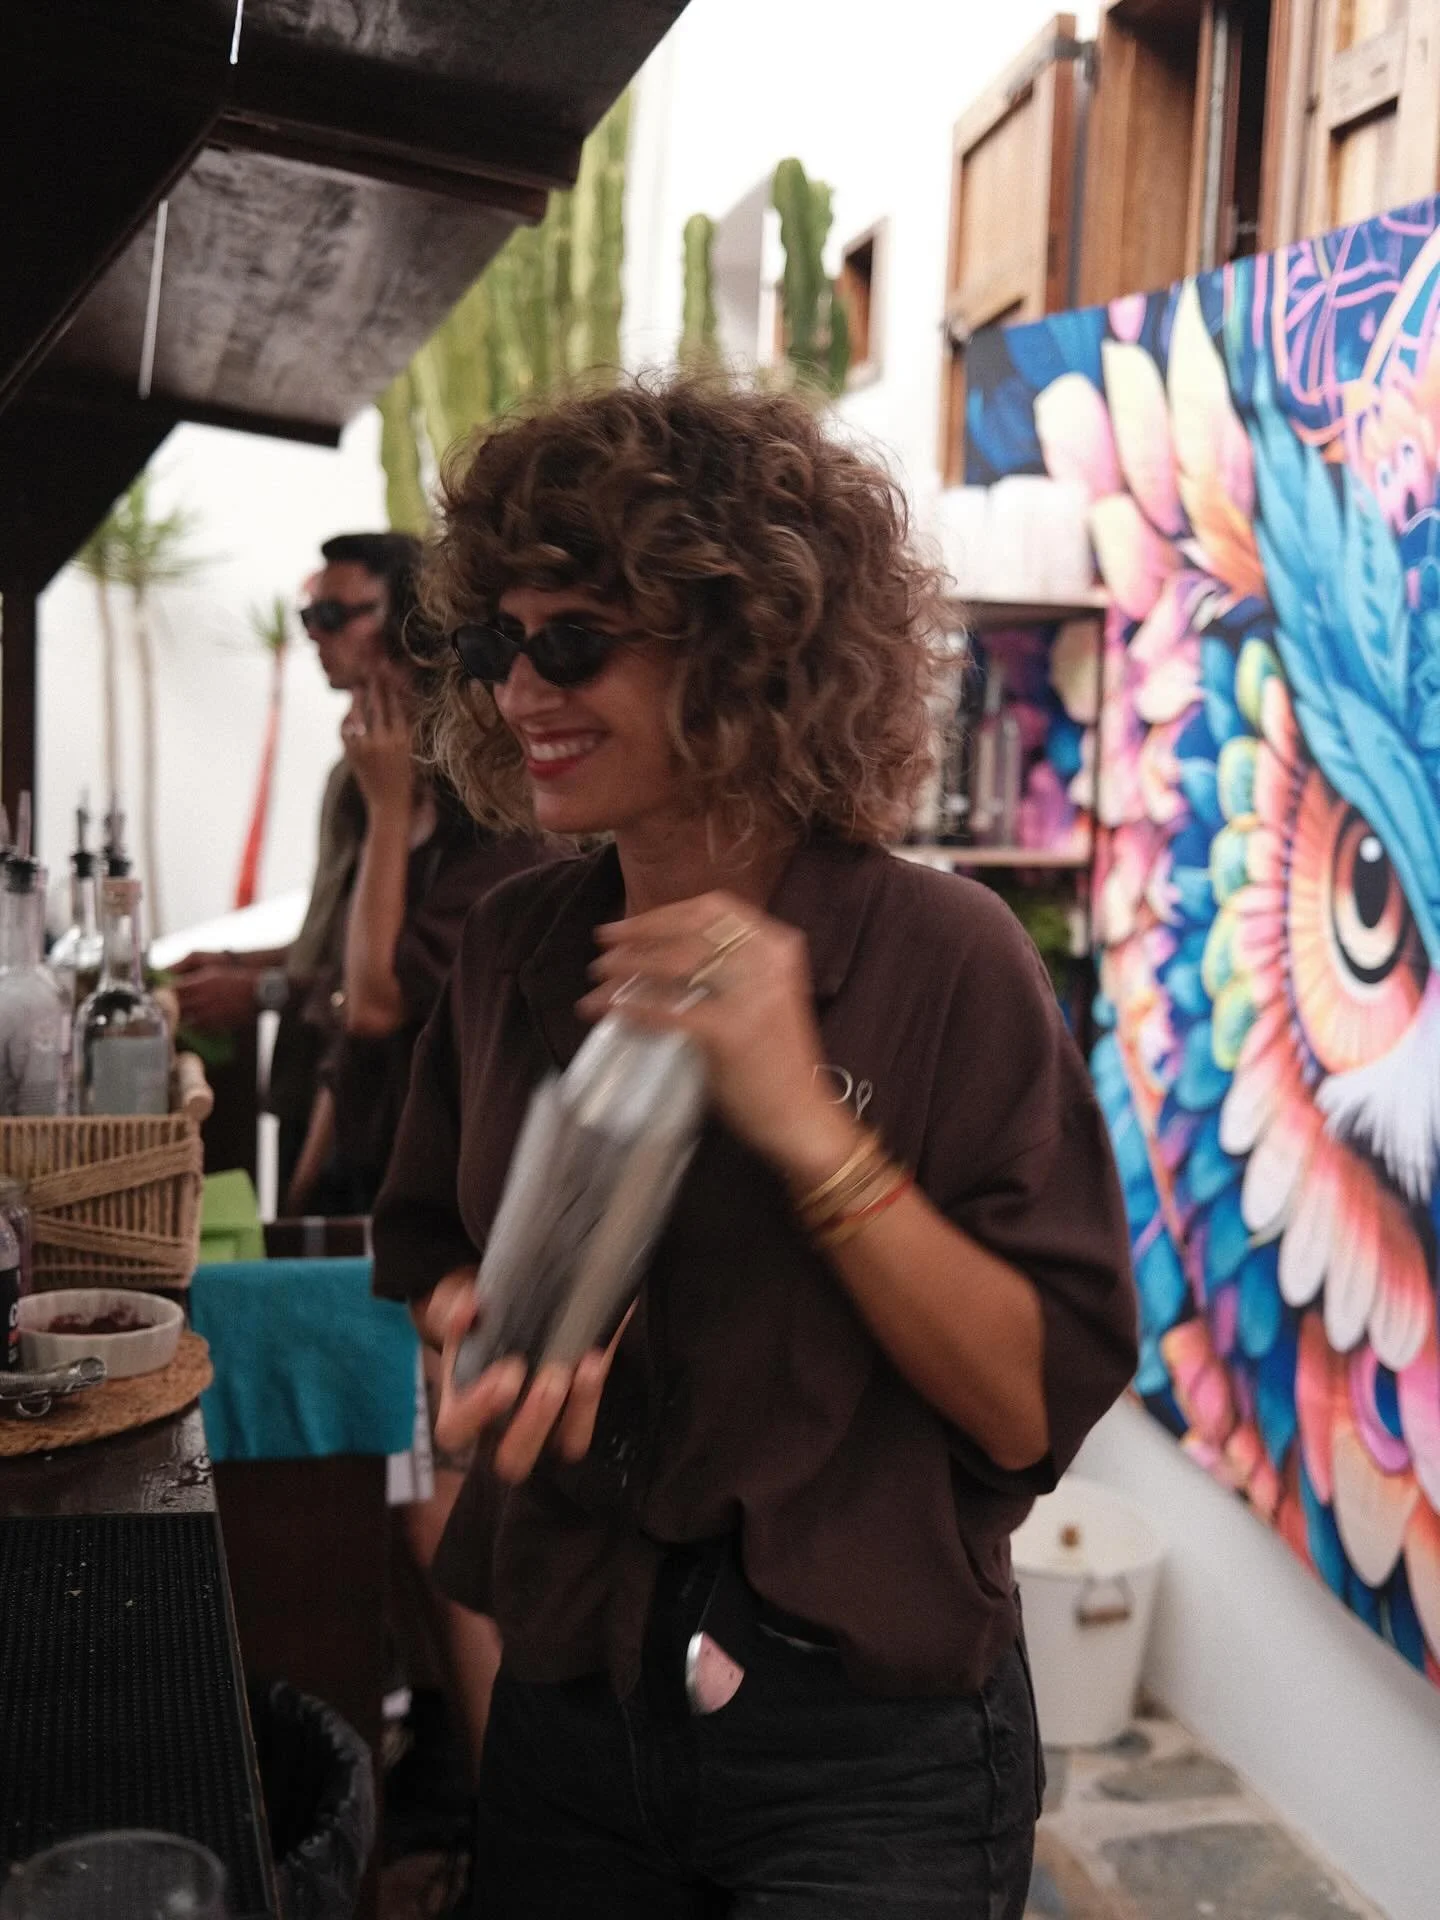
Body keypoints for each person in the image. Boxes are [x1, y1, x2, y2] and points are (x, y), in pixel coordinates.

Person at [371, 376, 1138, 1919]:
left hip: (862, 1765)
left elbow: (1025, 1398)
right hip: (574, 1703)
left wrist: (807, 1126)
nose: (523, 692)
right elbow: (436, 1252)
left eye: (575, 641)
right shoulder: (517, 945)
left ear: (743, 649)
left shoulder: (944, 960)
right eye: (494, 644)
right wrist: (475, 1317)